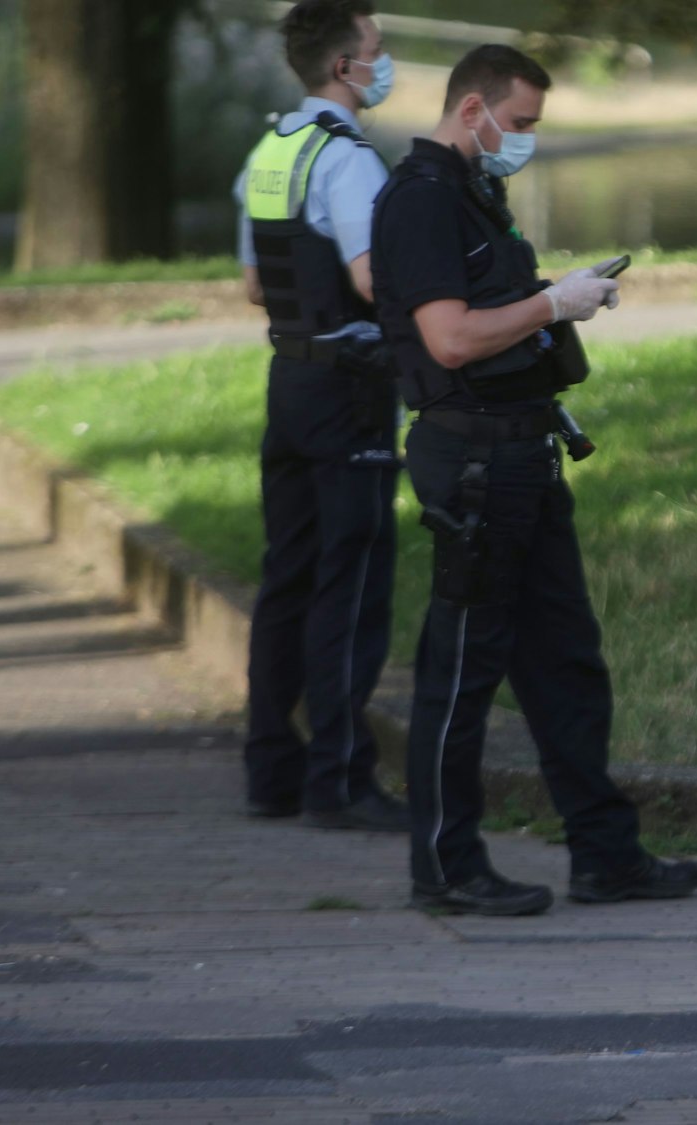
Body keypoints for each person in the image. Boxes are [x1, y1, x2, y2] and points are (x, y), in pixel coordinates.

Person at [369, 44, 697, 917]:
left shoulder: (477, 194)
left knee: (566, 663)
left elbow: (494, 316)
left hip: (521, 453)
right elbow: (448, 338)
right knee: (463, 669)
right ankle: (445, 864)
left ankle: (606, 855)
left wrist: (561, 297)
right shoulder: (422, 200)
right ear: (471, 108)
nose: (524, 141)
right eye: (518, 124)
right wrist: (554, 305)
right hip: (472, 459)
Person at [235, 0, 407, 832]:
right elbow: (375, 280)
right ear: (345, 66)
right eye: (377, 49)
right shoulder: (349, 161)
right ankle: (338, 779)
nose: (385, 60)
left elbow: (254, 285)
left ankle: (272, 770)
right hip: (350, 387)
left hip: (290, 379)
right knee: (355, 578)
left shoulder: (272, 150)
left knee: (289, 576)